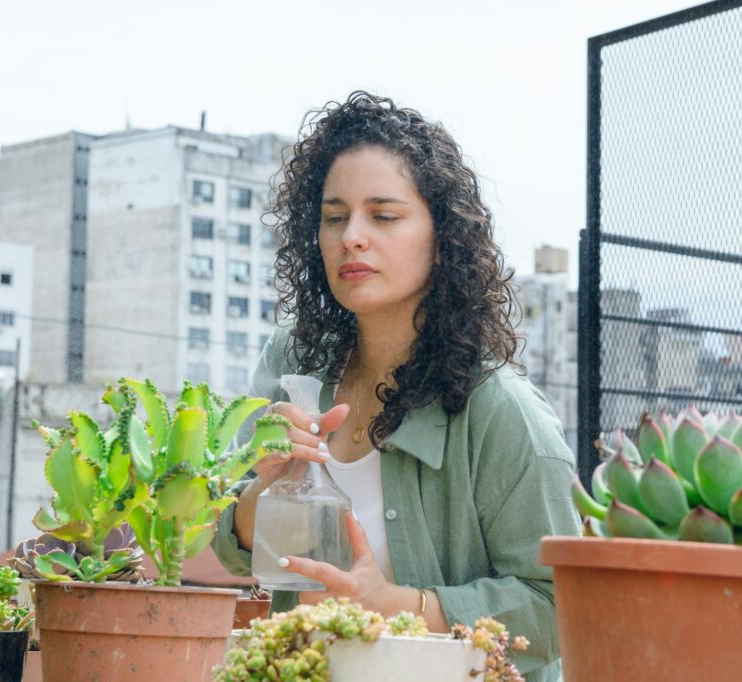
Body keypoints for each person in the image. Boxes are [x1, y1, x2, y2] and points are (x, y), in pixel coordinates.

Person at [213, 91, 580, 681]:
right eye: (334, 217)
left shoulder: (499, 409)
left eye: (383, 216)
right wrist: (266, 487)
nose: (352, 237)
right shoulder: (293, 358)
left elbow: (563, 605)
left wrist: (397, 606)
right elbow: (234, 547)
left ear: (444, 239)